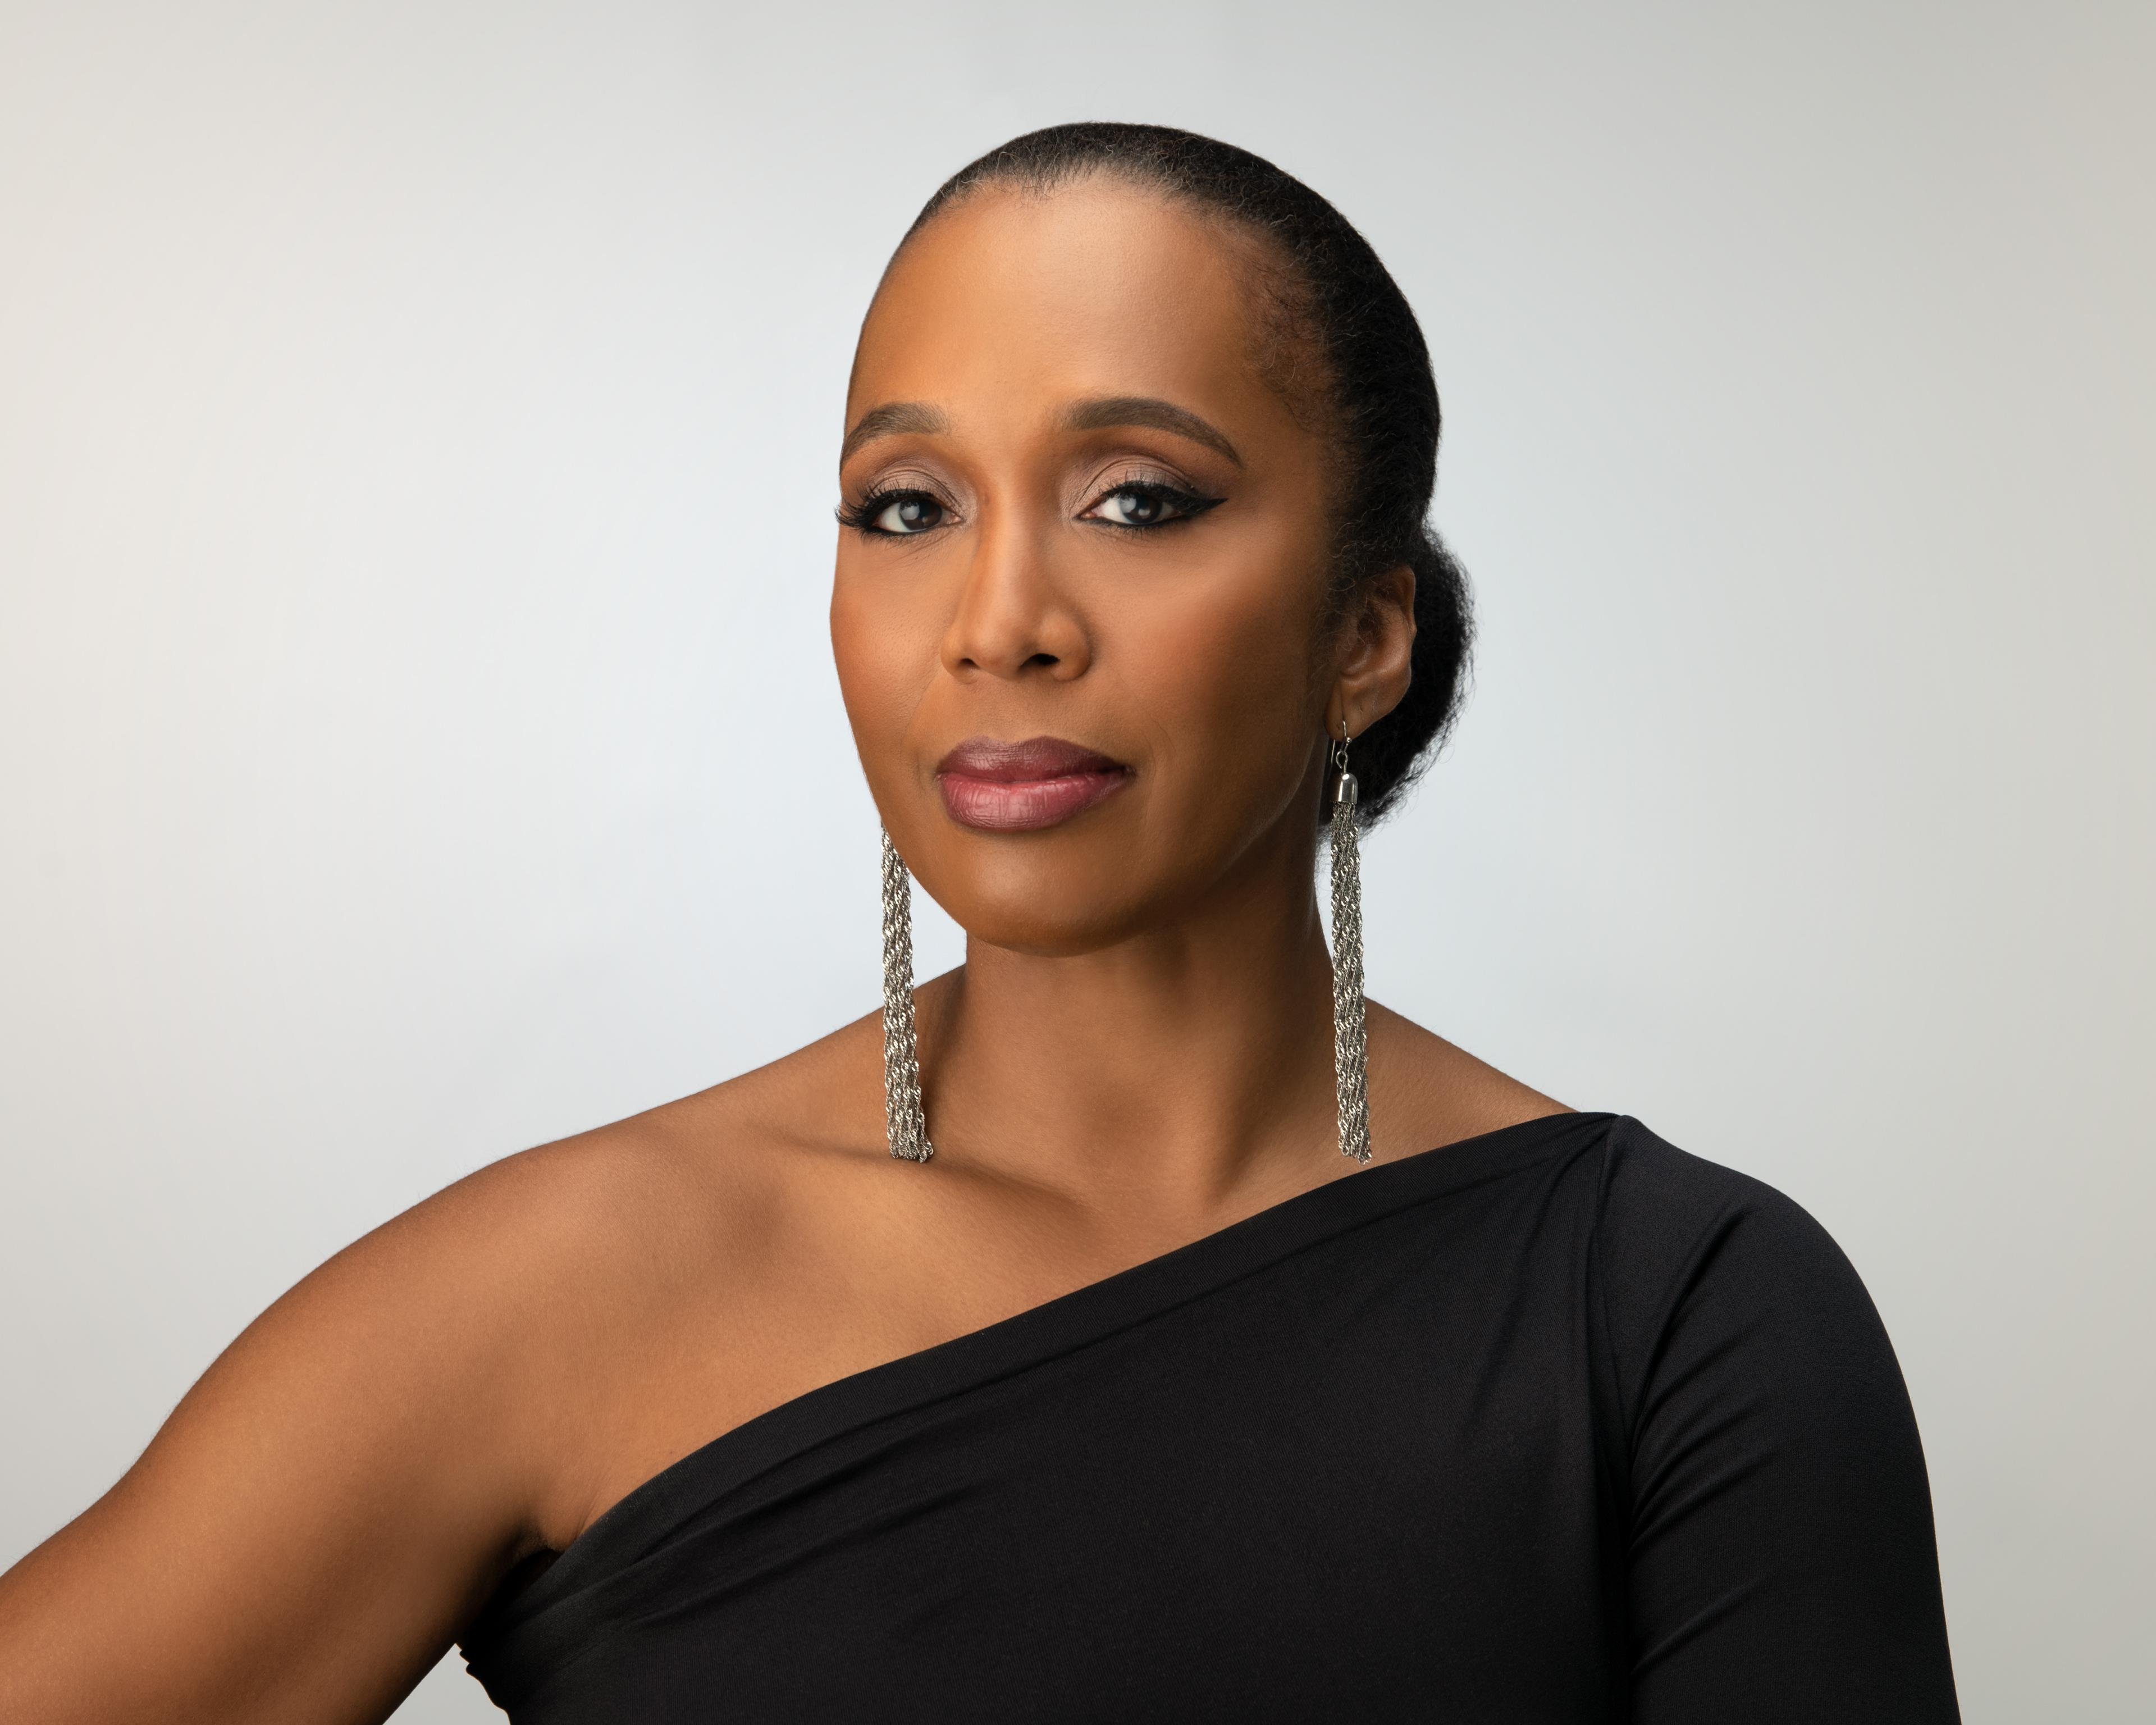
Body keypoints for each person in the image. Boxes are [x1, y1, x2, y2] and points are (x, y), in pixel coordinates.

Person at [0, 123, 1959, 1722]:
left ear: (1367, 636)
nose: (999, 618)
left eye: (1136, 498)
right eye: (908, 507)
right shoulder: (569, 1285)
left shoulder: (1675, 1312)